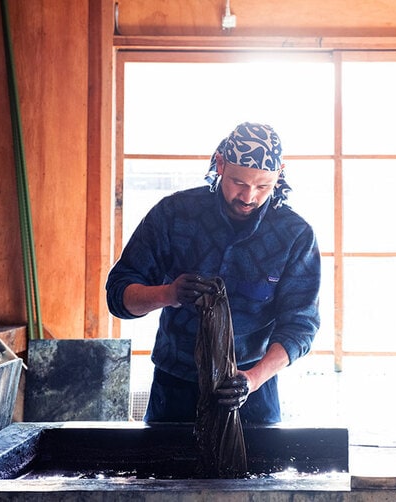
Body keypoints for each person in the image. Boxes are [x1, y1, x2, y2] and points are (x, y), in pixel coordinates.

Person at [106, 122, 321, 424]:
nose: (248, 197)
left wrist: (253, 378)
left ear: (279, 174)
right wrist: (168, 294)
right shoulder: (173, 214)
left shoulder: (295, 235)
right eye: (238, 182)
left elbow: (301, 326)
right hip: (175, 386)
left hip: (253, 389)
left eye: (262, 186)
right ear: (220, 164)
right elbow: (118, 295)